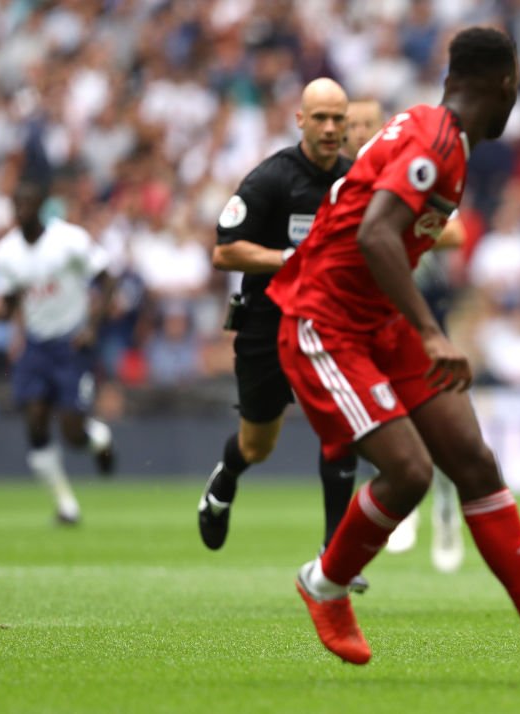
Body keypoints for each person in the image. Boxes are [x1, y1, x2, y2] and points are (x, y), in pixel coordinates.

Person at [267, 26, 520, 679]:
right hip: (326, 321)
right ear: (503, 84)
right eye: (515, 84)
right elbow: (377, 235)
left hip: (378, 320)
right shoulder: (435, 143)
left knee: (472, 459)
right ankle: (324, 584)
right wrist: (432, 332)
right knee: (408, 473)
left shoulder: (444, 138)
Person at [196, 78, 368, 590]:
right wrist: (290, 258)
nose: (331, 128)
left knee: (342, 429)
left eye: (338, 119)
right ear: (301, 121)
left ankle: (335, 556)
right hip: (267, 324)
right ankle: (225, 479)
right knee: (258, 444)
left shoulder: (356, 179)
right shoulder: (271, 178)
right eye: (321, 118)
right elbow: (224, 250)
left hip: (328, 324)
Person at [343, 96, 466, 572]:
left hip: (424, 315)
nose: (359, 132)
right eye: (352, 124)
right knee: (382, 412)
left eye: (367, 124)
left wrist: (394, 232)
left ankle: (446, 508)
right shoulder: (344, 181)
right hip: (373, 319)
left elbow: (456, 233)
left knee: (444, 423)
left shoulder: (411, 172)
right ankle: (404, 504)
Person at [0, 179, 116, 524]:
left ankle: (99, 439)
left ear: (40, 207)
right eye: (17, 206)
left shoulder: (68, 240)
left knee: (72, 432)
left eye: (27, 205)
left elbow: (107, 278)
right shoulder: (7, 252)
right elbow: (11, 303)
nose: (21, 211)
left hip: (72, 343)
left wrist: (92, 326)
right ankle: (65, 504)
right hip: (37, 345)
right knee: (36, 421)